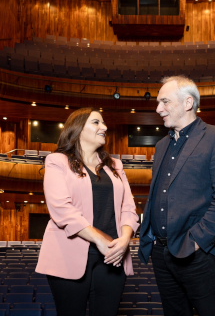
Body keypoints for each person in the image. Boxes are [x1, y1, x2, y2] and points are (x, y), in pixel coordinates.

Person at [138, 76, 215, 316]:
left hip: (198, 253)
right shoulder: (161, 145)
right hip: (161, 254)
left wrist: (196, 241)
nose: (158, 109)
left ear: (187, 103)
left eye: (164, 101)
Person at [36, 107, 139, 316]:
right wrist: (99, 239)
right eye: (96, 122)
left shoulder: (116, 166)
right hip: (69, 254)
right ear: (78, 128)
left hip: (112, 254)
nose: (104, 127)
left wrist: (125, 238)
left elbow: (128, 208)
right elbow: (61, 209)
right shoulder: (57, 161)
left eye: (104, 122)